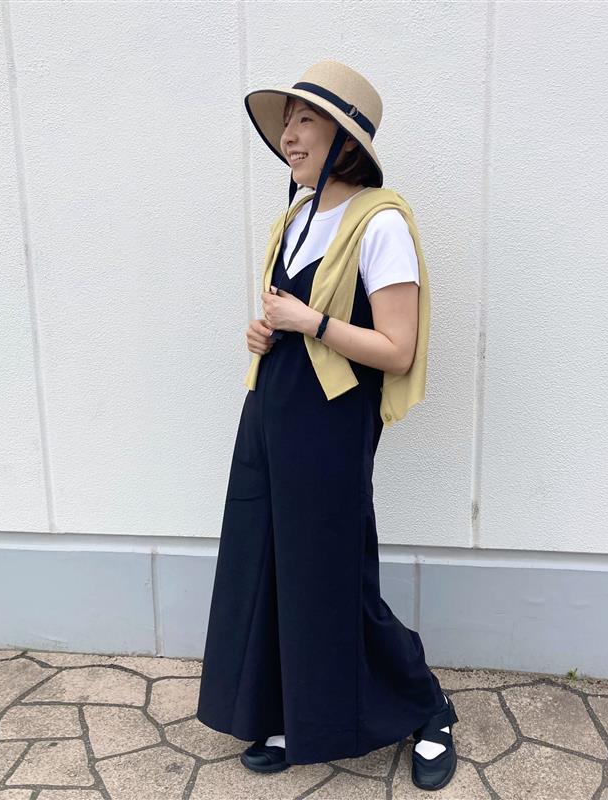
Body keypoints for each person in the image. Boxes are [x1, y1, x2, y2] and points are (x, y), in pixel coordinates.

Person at [195, 60, 459, 792]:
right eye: (287, 121)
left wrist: (308, 321)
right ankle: (298, 714)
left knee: (333, 574)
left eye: (305, 120)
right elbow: (293, 318)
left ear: (345, 138)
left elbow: (397, 348)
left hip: (330, 424)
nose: (289, 134)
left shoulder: (381, 222)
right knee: (271, 562)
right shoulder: (295, 217)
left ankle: (427, 706)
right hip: (270, 410)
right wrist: (267, 331)